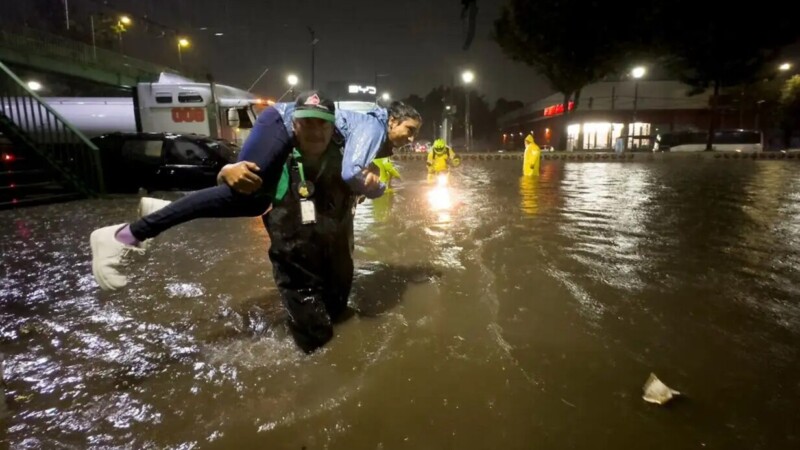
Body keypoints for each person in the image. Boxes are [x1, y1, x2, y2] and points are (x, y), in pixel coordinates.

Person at [90, 93, 421, 350]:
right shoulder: (362, 132)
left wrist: (361, 187)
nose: (316, 131)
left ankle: (162, 211)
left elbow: (348, 176)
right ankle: (130, 233)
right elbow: (351, 173)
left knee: (256, 201)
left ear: (333, 127)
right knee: (247, 190)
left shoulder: (353, 142)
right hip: (298, 251)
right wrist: (374, 187)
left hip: (331, 250)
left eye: (323, 125)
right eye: (409, 130)